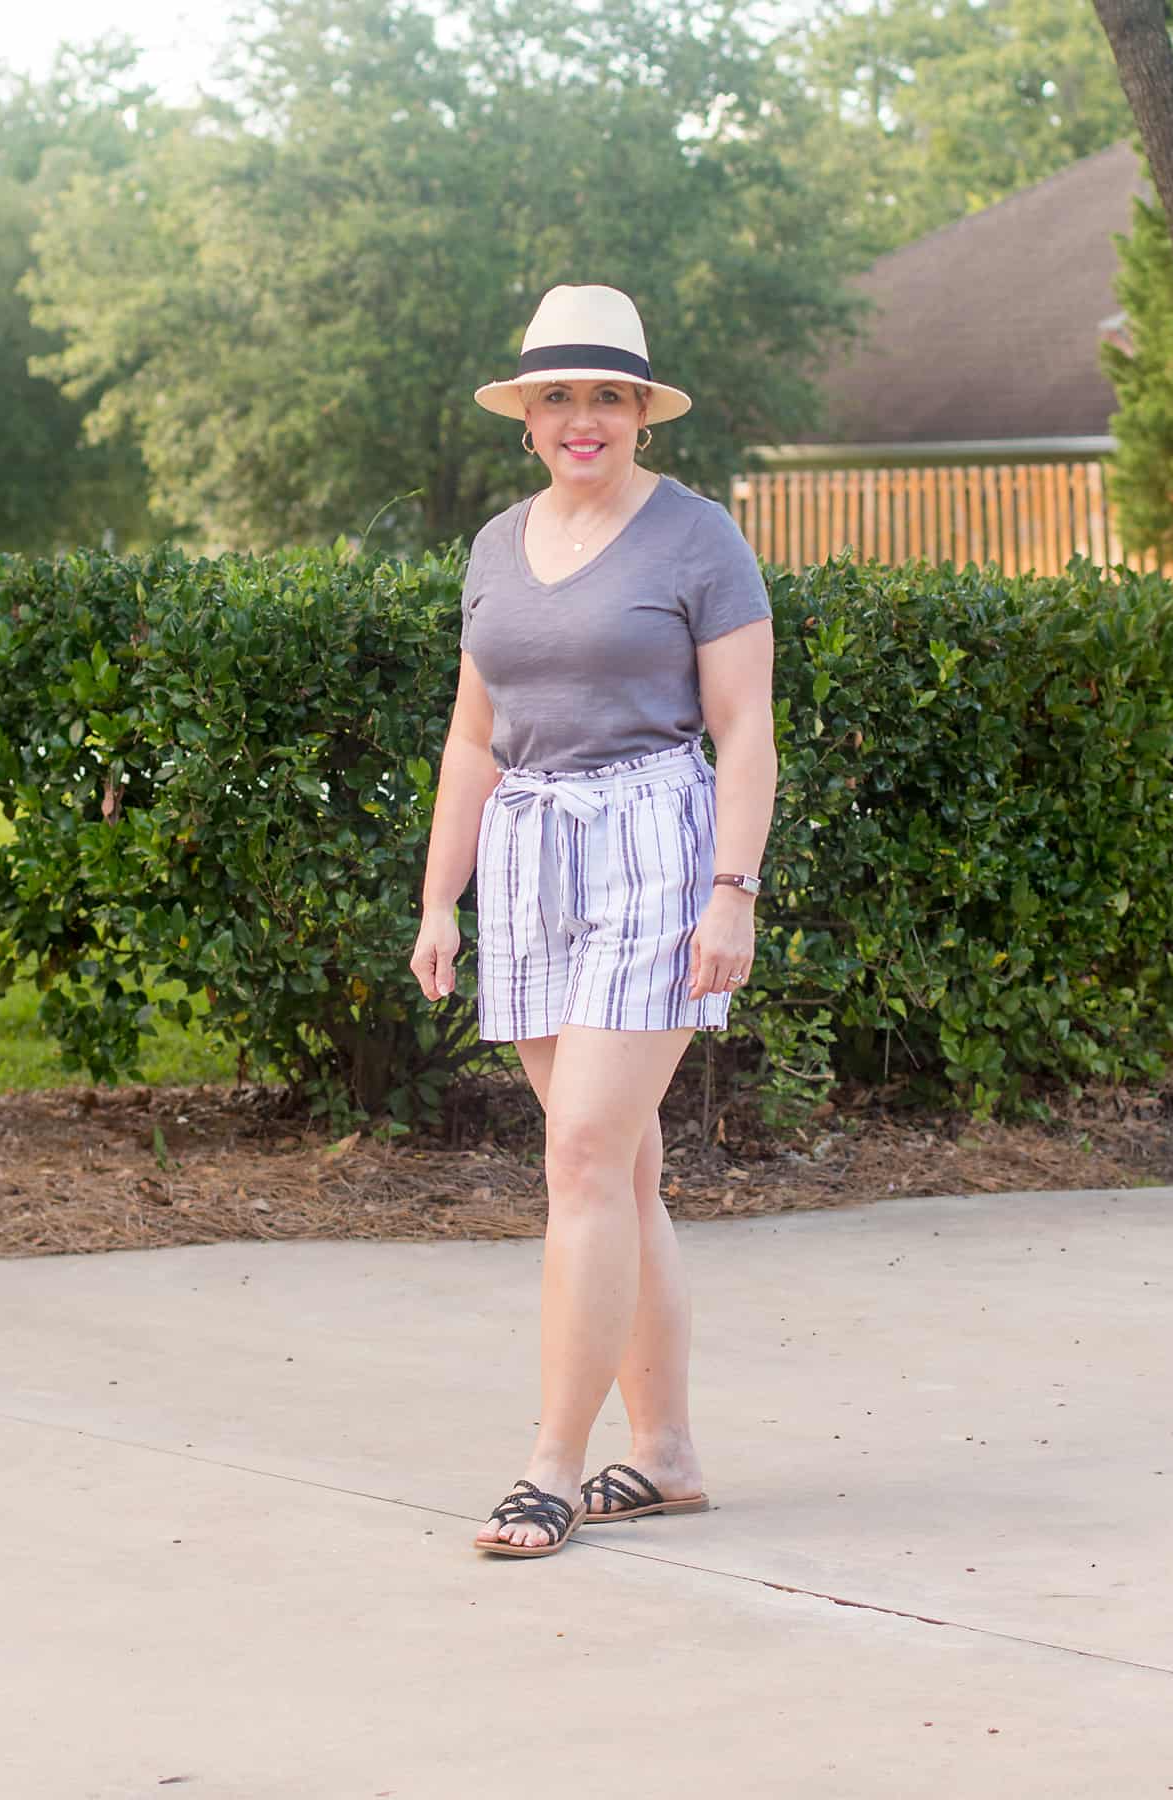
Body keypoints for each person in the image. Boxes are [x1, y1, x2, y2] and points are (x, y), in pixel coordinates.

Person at [409, 284, 776, 1559]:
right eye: (557, 397)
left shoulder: (698, 541)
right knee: (622, 1171)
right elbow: (473, 736)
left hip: (654, 855)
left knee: (579, 1160)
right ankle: (665, 1456)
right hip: (525, 859)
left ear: (640, 415)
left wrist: (733, 892)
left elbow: (744, 732)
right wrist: (440, 895)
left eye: (605, 397)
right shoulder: (496, 548)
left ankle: (551, 1465)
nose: (582, 419)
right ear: (525, 417)